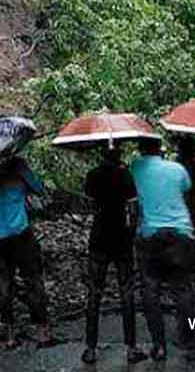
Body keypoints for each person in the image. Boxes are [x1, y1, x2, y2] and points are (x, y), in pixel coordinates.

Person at [130, 137, 195, 362]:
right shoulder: (177, 168)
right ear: (161, 149)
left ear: (141, 149)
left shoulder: (135, 167)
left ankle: (159, 346)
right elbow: (186, 189)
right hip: (180, 233)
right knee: (182, 290)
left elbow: (132, 193)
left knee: (151, 291)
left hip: (151, 235)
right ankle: (190, 346)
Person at [81, 147, 148, 365]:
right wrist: (131, 231)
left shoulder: (93, 175)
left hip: (99, 237)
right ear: (119, 157)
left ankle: (90, 348)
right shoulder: (125, 175)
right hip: (121, 238)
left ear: (102, 156)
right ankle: (131, 348)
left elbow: (88, 203)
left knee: (94, 292)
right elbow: (133, 207)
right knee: (126, 292)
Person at [0, 155, 52, 348]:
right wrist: (23, 174)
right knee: (33, 280)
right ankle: (42, 333)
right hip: (20, 233)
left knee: (4, 284)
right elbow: (38, 188)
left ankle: (10, 335)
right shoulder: (18, 164)